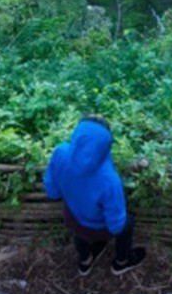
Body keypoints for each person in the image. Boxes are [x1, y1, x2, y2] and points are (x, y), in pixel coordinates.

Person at [43, 116, 146, 276]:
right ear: (105, 145)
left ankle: (85, 262)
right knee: (127, 223)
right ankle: (121, 262)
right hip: (99, 228)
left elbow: (52, 192)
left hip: (73, 217)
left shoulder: (61, 152)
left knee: (80, 231)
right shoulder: (109, 179)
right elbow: (116, 226)